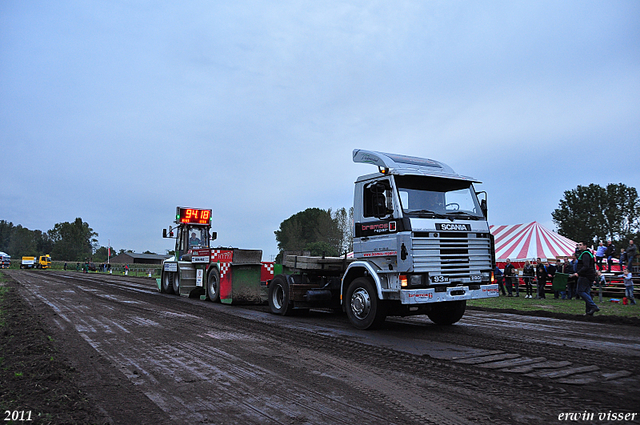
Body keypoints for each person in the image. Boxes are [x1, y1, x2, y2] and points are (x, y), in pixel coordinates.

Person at [572, 241, 599, 315]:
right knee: (586, 293)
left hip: (585, 276)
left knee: (580, 291)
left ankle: (593, 306)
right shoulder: (588, 254)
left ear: (585, 246)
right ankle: (589, 312)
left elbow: (586, 266)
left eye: (580, 245)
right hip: (589, 275)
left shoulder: (585, 254)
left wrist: (578, 273)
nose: (579, 246)